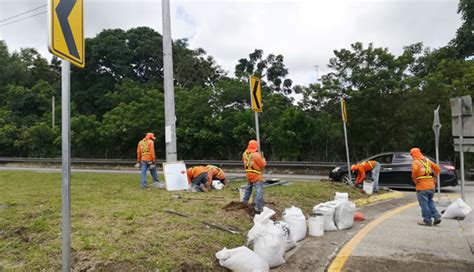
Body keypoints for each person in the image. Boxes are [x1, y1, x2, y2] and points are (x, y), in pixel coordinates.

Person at [410, 147, 441, 226]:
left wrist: (415, 179)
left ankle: (427, 220)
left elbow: (415, 170)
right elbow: (437, 168)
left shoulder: (415, 162)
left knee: (424, 204)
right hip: (431, 186)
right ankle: (437, 217)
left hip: (422, 186)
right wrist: (434, 176)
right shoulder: (427, 161)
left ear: (413, 154)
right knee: (430, 201)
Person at [241, 140, 266, 213]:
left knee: (248, 188)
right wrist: (263, 158)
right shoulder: (256, 155)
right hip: (256, 175)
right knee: (259, 191)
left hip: (248, 174)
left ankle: (245, 201)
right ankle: (257, 207)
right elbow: (262, 164)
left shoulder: (244, 154)